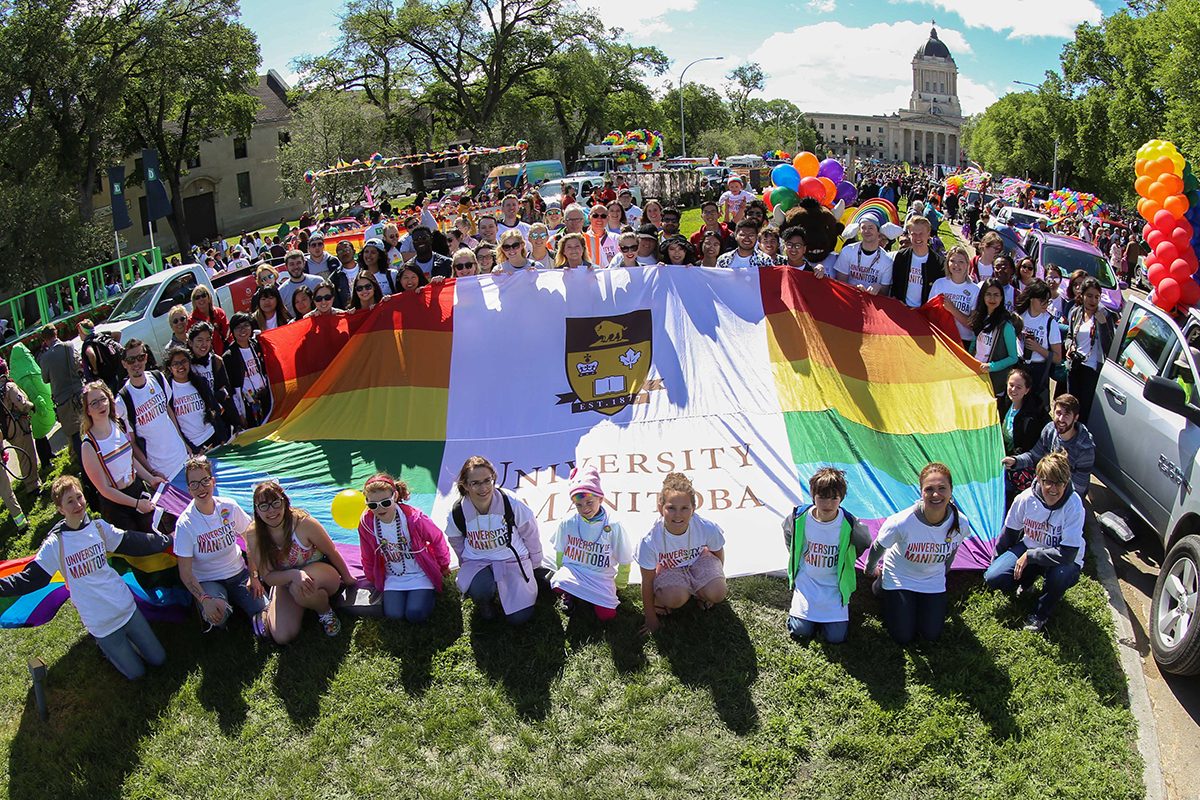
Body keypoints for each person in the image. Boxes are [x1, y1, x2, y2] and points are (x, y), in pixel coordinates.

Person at [0, 475, 171, 679]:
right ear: (60, 509)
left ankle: (128, 644)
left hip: (125, 607)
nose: (77, 504)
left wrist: (167, 540)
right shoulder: (55, 544)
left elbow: (132, 542)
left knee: (159, 659)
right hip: (101, 623)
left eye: (79, 497)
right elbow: (30, 579)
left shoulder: (98, 527)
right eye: (69, 501)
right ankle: (107, 649)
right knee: (137, 674)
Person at [865, 463, 970, 645]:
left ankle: (916, 602)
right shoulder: (901, 522)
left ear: (951, 491)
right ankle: (881, 586)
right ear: (921, 492)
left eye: (942, 488)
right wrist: (869, 569)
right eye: (929, 489)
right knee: (903, 637)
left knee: (930, 635)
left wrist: (943, 573)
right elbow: (878, 546)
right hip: (900, 577)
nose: (935, 494)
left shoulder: (961, 523)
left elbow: (953, 550)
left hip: (931, 580)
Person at [984, 451, 1085, 633]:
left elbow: (1068, 553)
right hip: (1031, 545)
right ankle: (1027, 582)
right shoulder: (1025, 499)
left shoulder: (1074, 505)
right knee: (993, 576)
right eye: (1048, 482)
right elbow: (1009, 534)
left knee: (1060, 575)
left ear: (1067, 481)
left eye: (1060, 483)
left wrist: (1030, 556)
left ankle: (1040, 614)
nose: (1054, 489)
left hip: (1064, 557)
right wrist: (996, 561)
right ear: (1038, 479)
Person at [247, 477, 355, 641]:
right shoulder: (254, 534)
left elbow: (331, 551)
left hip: (322, 573)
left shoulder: (303, 523)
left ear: (285, 502)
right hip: (286, 580)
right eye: (264, 506)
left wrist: (347, 578)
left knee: (299, 588)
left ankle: (325, 612)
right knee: (282, 636)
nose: (271, 511)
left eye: (276, 503)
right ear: (257, 510)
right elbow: (268, 576)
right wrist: (293, 575)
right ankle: (273, 608)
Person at [174, 455, 267, 631]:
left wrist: (254, 576)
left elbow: (251, 539)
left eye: (204, 481)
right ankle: (218, 606)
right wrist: (204, 599)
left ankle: (241, 604)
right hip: (208, 580)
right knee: (217, 618)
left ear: (213, 481)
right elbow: (185, 573)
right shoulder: (185, 524)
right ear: (188, 489)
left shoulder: (229, 506)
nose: (201, 488)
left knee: (265, 612)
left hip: (239, 573)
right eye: (194, 484)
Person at [445, 456, 543, 624]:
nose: (483, 488)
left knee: (519, 618)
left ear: (494, 479)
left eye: (487, 480)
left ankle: (509, 590)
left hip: (512, 559)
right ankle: (485, 601)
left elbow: (530, 533)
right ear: (465, 485)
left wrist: (535, 564)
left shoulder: (511, 503)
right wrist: (465, 563)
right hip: (477, 560)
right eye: (475, 483)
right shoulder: (457, 511)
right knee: (480, 588)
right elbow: (456, 540)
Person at [782, 467, 871, 644]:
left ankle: (828, 620)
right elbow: (788, 535)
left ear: (841, 498)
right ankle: (804, 618)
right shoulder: (799, 517)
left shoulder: (849, 522)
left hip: (834, 586)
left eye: (833, 498)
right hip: (808, 582)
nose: (827, 504)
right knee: (801, 632)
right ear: (813, 495)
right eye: (822, 497)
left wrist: (849, 558)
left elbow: (864, 542)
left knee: (835, 638)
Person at [637, 472, 727, 634]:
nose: (678, 515)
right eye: (671, 508)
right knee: (674, 598)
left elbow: (718, 554)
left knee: (718, 592)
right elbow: (647, 580)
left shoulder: (706, 528)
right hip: (669, 567)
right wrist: (650, 618)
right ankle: (662, 599)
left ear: (693, 508)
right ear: (660, 508)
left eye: (684, 508)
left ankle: (700, 593)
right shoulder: (649, 540)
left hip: (699, 560)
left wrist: (714, 576)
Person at [356, 472, 451, 623]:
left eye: (385, 502)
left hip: (420, 572)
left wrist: (443, 564)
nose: (380, 509)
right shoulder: (366, 524)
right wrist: (373, 578)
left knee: (415, 613)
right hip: (393, 576)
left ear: (394, 496)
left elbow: (437, 538)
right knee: (394, 614)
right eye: (373, 505)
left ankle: (427, 594)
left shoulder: (414, 518)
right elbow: (367, 555)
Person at [550, 465, 635, 622]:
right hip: (575, 571)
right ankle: (569, 595)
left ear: (600, 499)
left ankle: (589, 597)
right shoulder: (568, 522)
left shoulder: (614, 524)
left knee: (607, 616)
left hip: (600, 577)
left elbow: (624, 557)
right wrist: (560, 569)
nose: (585, 508)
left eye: (589, 502)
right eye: (579, 505)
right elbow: (560, 550)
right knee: (557, 583)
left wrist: (620, 584)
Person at [79, 380, 163, 532]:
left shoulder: (116, 424)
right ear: (88, 411)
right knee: (138, 550)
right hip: (117, 506)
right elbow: (104, 489)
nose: (101, 405)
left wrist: (151, 479)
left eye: (103, 399)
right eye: (94, 403)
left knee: (156, 536)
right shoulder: (88, 446)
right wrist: (136, 504)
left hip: (137, 491)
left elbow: (130, 460)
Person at [114, 339, 187, 480]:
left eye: (140, 357)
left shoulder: (158, 377)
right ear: (124, 363)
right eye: (131, 360)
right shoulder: (123, 401)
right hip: (160, 469)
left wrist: (183, 442)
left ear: (146, 357)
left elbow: (169, 412)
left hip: (181, 454)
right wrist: (151, 472)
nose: (136, 363)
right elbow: (131, 442)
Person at [1003, 393, 1096, 499]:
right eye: (1058, 413)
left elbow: (1079, 488)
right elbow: (1034, 456)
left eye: (1067, 415)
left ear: (1075, 418)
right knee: (1010, 473)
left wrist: (1048, 495)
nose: (1061, 419)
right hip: (1045, 478)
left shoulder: (1085, 449)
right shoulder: (1050, 429)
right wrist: (1015, 461)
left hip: (1065, 491)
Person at [1065, 277, 1116, 423]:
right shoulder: (1075, 313)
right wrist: (1069, 346)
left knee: (1084, 409)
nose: (1093, 300)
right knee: (1070, 405)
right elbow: (1069, 336)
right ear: (1082, 295)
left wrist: (1103, 325)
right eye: (1089, 296)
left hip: (1092, 368)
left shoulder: (1104, 315)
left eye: (1096, 297)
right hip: (1075, 365)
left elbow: (1109, 346)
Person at [997, 367, 1049, 506]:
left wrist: (1012, 460)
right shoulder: (1004, 403)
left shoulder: (1032, 416)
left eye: (1018, 387)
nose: (1013, 390)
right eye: (1011, 385)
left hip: (1022, 465)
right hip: (1005, 457)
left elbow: (1029, 448)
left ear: (1027, 390)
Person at [164, 345, 227, 453]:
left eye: (184, 361)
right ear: (170, 368)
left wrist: (222, 437)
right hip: (195, 446)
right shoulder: (167, 391)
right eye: (175, 363)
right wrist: (192, 448)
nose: (181, 366)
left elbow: (214, 408)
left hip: (214, 436)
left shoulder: (200, 382)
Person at [37, 323, 84, 461]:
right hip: (79, 392)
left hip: (63, 400)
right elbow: (78, 365)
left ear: (44, 340)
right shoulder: (68, 346)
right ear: (56, 333)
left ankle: (83, 465)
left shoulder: (45, 358)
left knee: (75, 435)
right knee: (90, 427)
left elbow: (45, 379)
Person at [7, 342, 55, 468]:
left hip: (33, 409)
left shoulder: (18, 373)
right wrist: (39, 405)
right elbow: (32, 392)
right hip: (34, 409)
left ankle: (49, 453)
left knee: (41, 434)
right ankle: (45, 462)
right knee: (39, 435)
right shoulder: (25, 375)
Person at [969, 278, 1021, 395]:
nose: (992, 298)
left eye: (996, 295)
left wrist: (991, 366)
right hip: (976, 375)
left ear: (1002, 298)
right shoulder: (979, 318)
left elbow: (1013, 357)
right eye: (988, 294)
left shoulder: (1006, 325)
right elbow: (975, 343)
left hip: (994, 381)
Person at [1015, 279, 1063, 403]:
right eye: (1042, 300)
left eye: (1048, 301)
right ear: (1031, 299)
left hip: (1038, 371)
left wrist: (1038, 348)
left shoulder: (1050, 323)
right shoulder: (1019, 316)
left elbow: (1057, 358)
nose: (1045, 304)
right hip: (1019, 366)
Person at [0, 356, 40, 496]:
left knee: (21, 455)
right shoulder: (9, 386)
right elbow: (21, 404)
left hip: (6, 428)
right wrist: (32, 406)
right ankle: (33, 486)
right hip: (18, 426)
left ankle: (30, 482)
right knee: (27, 454)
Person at [223, 313, 270, 428]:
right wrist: (239, 413)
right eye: (238, 327)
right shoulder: (229, 356)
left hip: (265, 397)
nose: (242, 330)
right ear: (232, 331)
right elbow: (231, 388)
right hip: (248, 404)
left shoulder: (256, 345)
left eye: (246, 326)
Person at [930, 246, 980, 347]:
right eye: (952, 261)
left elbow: (973, 325)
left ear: (967, 264)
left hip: (963, 341)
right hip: (941, 337)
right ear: (947, 263)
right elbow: (930, 314)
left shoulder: (975, 290)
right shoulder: (939, 284)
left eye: (961, 261)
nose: (956, 265)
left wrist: (953, 310)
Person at [889, 216, 944, 308]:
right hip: (901, 308)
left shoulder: (939, 263)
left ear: (928, 234)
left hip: (925, 313)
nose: (918, 237)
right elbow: (894, 284)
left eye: (921, 233)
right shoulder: (901, 257)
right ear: (909, 235)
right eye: (914, 234)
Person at [835, 213, 895, 294]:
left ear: (878, 232)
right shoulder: (848, 251)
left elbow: (885, 292)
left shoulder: (887, 260)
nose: (867, 231)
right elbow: (840, 282)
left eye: (871, 228)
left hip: (872, 302)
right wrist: (854, 289)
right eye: (863, 228)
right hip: (849, 296)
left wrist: (879, 288)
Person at [187, 285, 230, 355]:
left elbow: (228, 333)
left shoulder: (219, 313)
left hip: (224, 353)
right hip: (205, 358)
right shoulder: (191, 321)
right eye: (197, 297)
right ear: (194, 301)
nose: (201, 299)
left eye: (203, 295)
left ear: (209, 297)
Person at [331, 241, 360, 308]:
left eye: (346, 249)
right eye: (340, 251)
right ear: (337, 256)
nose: (344, 253)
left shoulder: (365, 269)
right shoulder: (334, 278)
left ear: (354, 251)